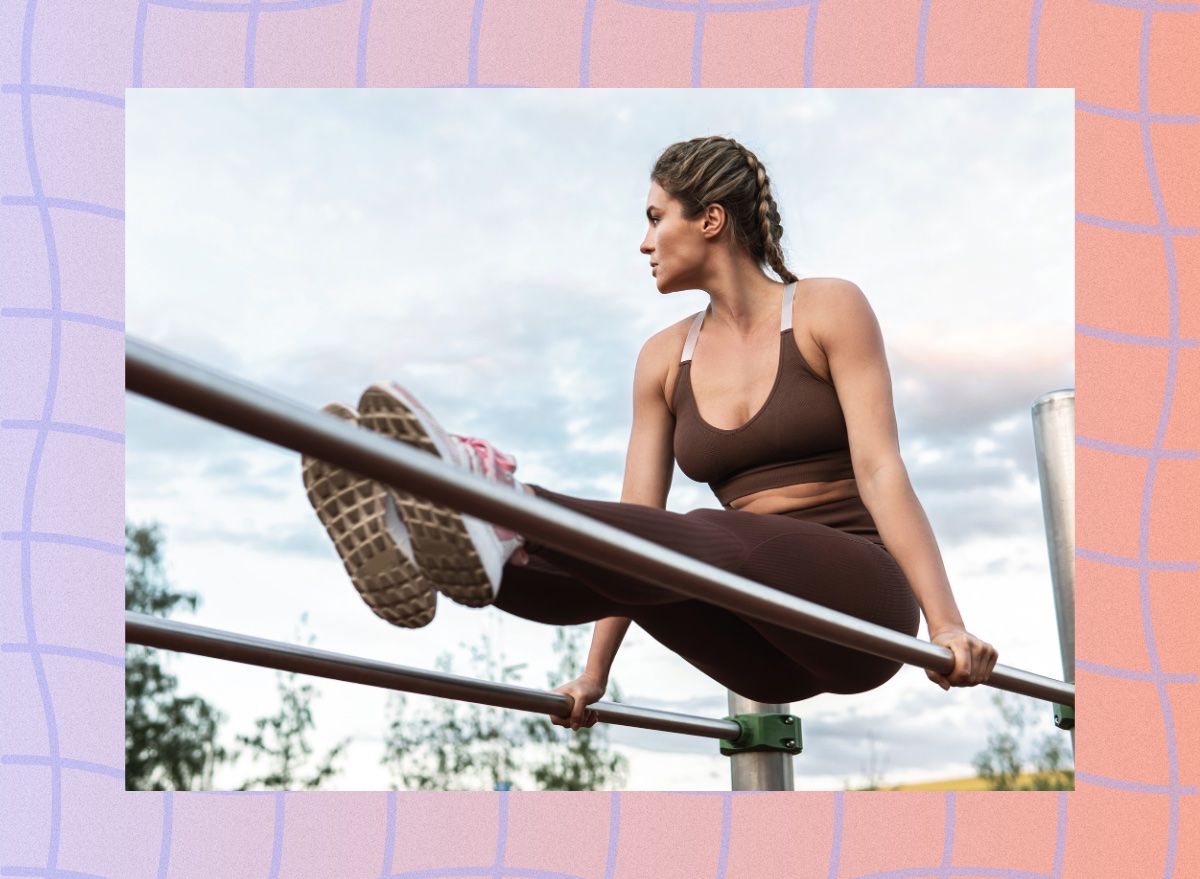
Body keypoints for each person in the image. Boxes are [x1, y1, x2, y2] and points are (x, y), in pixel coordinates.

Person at [302, 135, 998, 734]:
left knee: (710, 533)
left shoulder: (826, 308)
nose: (642, 241)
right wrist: (592, 675)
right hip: (761, 643)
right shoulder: (663, 359)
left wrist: (946, 624)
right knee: (602, 568)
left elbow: (881, 471)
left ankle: (499, 500)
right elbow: (639, 528)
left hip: (860, 607)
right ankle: (426, 540)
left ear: (711, 221)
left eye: (655, 217)